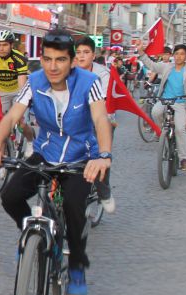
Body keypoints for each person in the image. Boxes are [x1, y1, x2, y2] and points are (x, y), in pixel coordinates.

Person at [0, 29, 113, 295]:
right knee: (10, 197)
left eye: (61, 60)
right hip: (45, 152)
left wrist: (103, 155)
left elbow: (101, 119)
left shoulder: (89, 82)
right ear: (40, 59)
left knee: (74, 209)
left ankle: (77, 267)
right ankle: (33, 236)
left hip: (80, 157)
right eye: (47, 59)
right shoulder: (33, 81)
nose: (53, 67)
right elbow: (11, 117)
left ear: (71, 61)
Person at [139, 42, 186, 171]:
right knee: (155, 112)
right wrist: (141, 53)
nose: (179, 56)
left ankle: (183, 158)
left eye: (182, 54)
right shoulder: (167, 67)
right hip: (164, 99)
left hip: (180, 103)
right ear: (173, 55)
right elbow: (152, 66)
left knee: (180, 129)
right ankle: (161, 133)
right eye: (176, 54)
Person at [74, 36, 115, 213]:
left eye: (86, 52)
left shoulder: (102, 74)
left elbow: (102, 106)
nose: (81, 56)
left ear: (93, 54)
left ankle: (104, 192)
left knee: (99, 156)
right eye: (78, 52)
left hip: (100, 119)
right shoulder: (68, 70)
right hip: (74, 119)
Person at [0, 30, 29, 113]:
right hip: (2, 93)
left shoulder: (19, 59)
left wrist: (22, 102)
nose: (1, 48)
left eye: (5, 45)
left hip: (18, 92)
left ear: (11, 45)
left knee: (21, 122)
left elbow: (22, 85)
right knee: (0, 121)